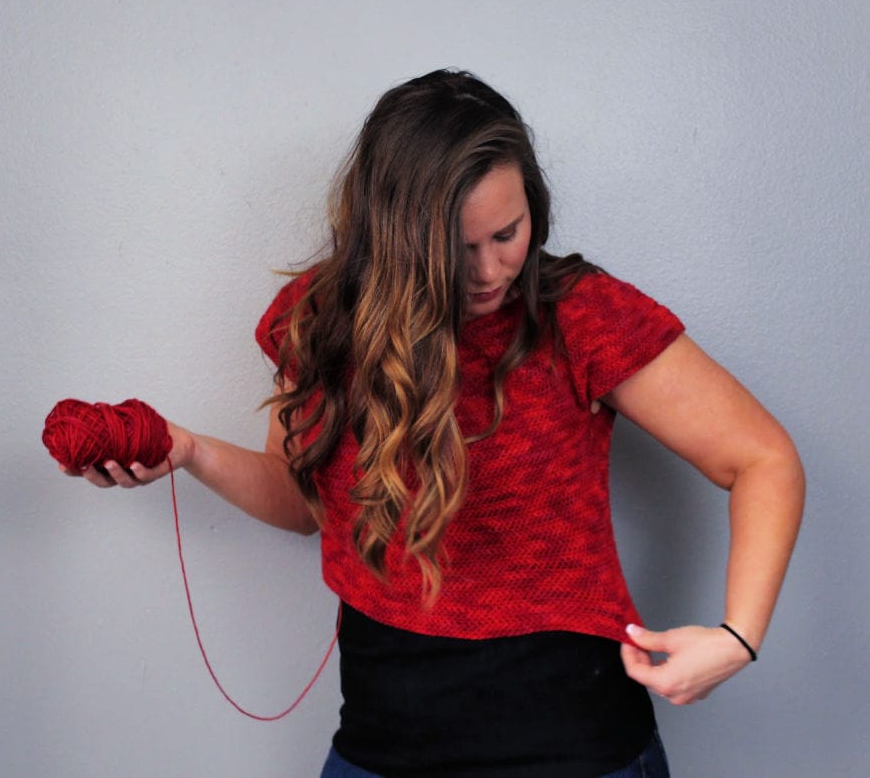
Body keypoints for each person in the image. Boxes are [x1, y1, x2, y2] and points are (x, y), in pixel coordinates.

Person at [59, 70, 804, 777]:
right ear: (395, 236)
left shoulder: (580, 315)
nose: (489, 271)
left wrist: (740, 635)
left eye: (508, 233)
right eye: (458, 247)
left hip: (574, 746)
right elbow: (303, 504)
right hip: (384, 742)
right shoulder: (320, 323)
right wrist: (188, 451)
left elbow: (760, 457)